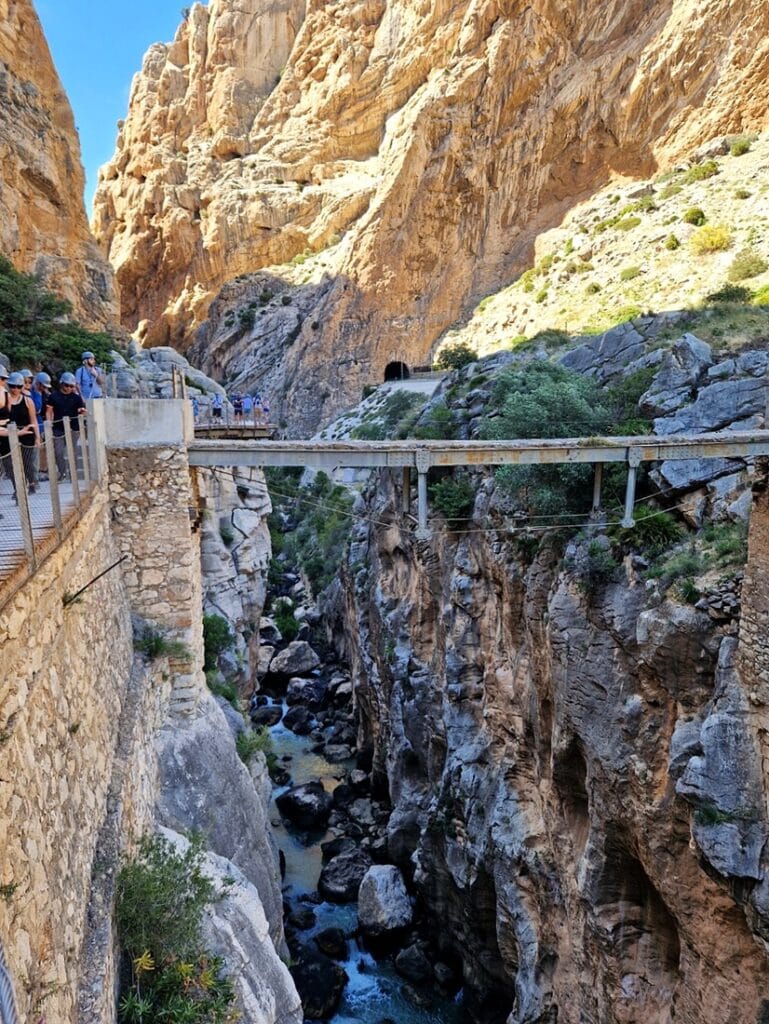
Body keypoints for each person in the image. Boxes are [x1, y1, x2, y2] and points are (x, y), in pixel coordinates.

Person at [5, 371, 40, 494]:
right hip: (10, 433)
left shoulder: (27, 401)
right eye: (12, 386)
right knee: (11, 464)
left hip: (26, 433)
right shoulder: (4, 400)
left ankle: (31, 483)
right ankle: (18, 487)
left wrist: (37, 437)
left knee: (27, 461)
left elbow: (33, 420)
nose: (15, 389)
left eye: (18, 386)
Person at [46, 372, 86, 479]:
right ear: (61, 384)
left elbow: (81, 409)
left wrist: (82, 411)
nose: (68, 388)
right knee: (58, 452)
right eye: (66, 385)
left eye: (71, 386)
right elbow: (49, 410)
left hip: (73, 427)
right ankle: (62, 472)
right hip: (58, 427)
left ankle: (73, 473)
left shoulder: (76, 398)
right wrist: (49, 423)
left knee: (73, 451)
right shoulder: (53, 396)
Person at [32, 373, 52, 476]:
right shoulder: (31, 392)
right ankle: (38, 469)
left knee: (43, 446)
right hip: (33, 421)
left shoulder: (45, 394)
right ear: (38, 384)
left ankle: (44, 468)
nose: (44, 388)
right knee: (37, 447)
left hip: (41, 421)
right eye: (43, 386)